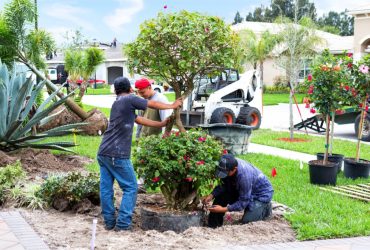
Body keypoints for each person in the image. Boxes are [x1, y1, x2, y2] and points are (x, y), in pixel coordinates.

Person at [97, 76, 182, 231]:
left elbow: (139, 120)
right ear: (130, 89)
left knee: (106, 188)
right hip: (118, 153)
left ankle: (109, 222)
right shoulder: (129, 99)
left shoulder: (117, 103)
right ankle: (122, 225)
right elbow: (153, 104)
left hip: (103, 152)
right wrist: (172, 104)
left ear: (116, 90)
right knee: (131, 187)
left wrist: (161, 124)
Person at [202, 154, 274, 228]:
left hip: (261, 195)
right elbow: (223, 184)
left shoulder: (244, 177)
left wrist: (222, 209)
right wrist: (211, 195)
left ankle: (265, 208)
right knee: (221, 195)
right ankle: (213, 225)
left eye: (226, 173)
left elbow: (243, 202)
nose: (224, 174)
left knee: (247, 222)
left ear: (235, 169)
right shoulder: (227, 166)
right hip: (245, 190)